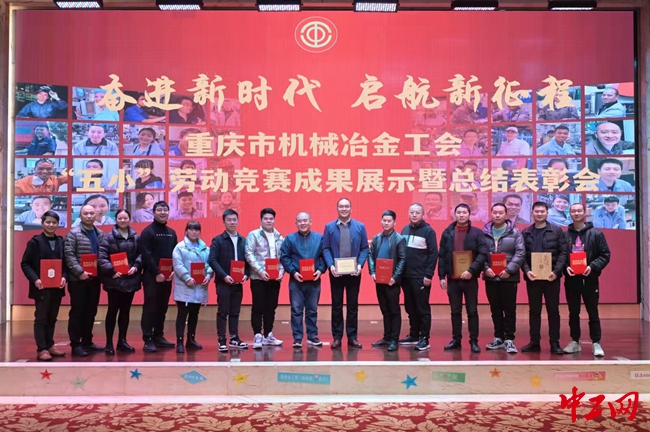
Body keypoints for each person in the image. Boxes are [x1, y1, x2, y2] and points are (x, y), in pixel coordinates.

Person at [438, 204, 489, 353]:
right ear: (455, 215)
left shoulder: (477, 233)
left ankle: (474, 341)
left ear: (469, 214)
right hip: (452, 279)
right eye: (458, 212)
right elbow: (442, 256)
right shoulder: (447, 232)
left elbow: (483, 254)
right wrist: (441, 276)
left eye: (464, 212)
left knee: (472, 311)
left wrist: (471, 270)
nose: (461, 215)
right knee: (455, 311)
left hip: (470, 279)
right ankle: (456, 340)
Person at [563, 203, 611, 356]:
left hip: (590, 279)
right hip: (571, 279)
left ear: (585, 213)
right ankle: (575, 341)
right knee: (573, 312)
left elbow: (605, 255)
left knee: (593, 311)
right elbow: (560, 256)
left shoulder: (596, 234)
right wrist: (565, 267)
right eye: (573, 211)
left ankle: (596, 342)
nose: (576, 213)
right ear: (570, 213)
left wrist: (592, 266)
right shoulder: (564, 235)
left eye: (579, 211)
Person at [520, 202, 568, 354]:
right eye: (537, 211)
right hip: (533, 278)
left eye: (542, 211)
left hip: (551, 278)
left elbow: (563, 252)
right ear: (532, 213)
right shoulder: (526, 232)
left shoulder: (557, 230)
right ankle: (534, 342)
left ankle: (555, 343)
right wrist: (527, 271)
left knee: (553, 311)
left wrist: (556, 271)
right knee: (534, 311)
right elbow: (522, 255)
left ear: (547, 213)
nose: (539, 214)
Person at [20, 210, 68, 361]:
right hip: (41, 288)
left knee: (52, 318)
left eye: (54, 222)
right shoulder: (34, 242)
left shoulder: (61, 242)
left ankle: (50, 345)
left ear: (58, 224)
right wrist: (35, 279)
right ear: (42, 223)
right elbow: (25, 264)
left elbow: (66, 264)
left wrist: (64, 277)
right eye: (48, 222)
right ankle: (41, 349)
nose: (51, 225)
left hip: (57, 287)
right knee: (41, 318)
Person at [322, 198, 369, 349]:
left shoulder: (360, 227)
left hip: (354, 273)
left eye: (346, 206)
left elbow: (364, 248)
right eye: (341, 206)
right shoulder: (329, 227)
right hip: (336, 273)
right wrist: (330, 266)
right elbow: (326, 248)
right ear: (337, 209)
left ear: (351, 208)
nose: (344, 209)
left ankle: (352, 337)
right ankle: (337, 337)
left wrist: (360, 265)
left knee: (352, 306)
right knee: (336, 306)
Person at [482, 203, 525, 354]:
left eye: (501, 213)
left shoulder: (515, 232)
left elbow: (520, 253)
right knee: (495, 309)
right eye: (495, 212)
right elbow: (480, 253)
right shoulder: (485, 232)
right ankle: (498, 337)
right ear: (491, 213)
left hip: (509, 277)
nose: (498, 215)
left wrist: (508, 270)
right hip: (490, 276)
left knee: (509, 309)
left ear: (506, 214)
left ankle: (509, 339)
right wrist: (485, 268)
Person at [63, 204, 105, 357]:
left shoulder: (100, 233)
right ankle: (76, 344)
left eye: (91, 213)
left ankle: (87, 341)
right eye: (85, 213)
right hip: (78, 280)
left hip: (94, 279)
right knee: (77, 312)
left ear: (96, 215)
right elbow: (69, 255)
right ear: (80, 216)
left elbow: (103, 255)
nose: (89, 216)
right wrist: (80, 272)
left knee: (91, 311)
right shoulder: (73, 233)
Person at [98, 209, 142, 355]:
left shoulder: (135, 236)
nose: (123, 220)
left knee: (125, 311)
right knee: (112, 311)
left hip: (130, 279)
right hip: (114, 281)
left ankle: (122, 341)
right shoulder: (108, 237)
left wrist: (136, 266)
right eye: (120, 218)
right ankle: (109, 343)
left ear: (129, 219)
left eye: (125, 218)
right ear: (116, 220)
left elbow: (141, 254)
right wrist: (112, 271)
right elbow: (102, 258)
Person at [280, 212, 326, 348]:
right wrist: (293, 272)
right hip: (296, 281)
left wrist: (320, 270)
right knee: (296, 310)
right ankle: (298, 338)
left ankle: (312, 336)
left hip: (314, 280)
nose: (303, 223)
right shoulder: (290, 239)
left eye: (305, 220)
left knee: (312, 310)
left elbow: (325, 256)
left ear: (310, 222)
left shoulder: (319, 238)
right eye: (299, 221)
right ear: (296, 223)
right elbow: (284, 257)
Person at [139, 201, 178, 352]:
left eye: (165, 210)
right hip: (152, 276)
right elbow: (146, 255)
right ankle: (148, 338)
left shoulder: (171, 232)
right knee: (150, 307)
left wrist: (173, 270)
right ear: (153, 212)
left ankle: (158, 336)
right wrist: (157, 273)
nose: (163, 212)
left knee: (162, 306)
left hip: (166, 277)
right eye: (159, 210)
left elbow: (175, 254)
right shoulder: (147, 232)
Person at [209, 209, 250, 352]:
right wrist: (224, 276)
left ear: (238, 221)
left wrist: (246, 274)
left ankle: (234, 338)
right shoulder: (218, 240)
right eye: (229, 220)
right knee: (223, 311)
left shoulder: (243, 240)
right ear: (224, 222)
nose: (232, 222)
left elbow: (248, 260)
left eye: (234, 220)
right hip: (223, 282)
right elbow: (212, 260)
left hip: (238, 282)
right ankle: (221, 340)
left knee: (235, 311)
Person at [399, 203, 438, 350]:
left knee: (422, 308)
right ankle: (414, 334)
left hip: (421, 277)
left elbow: (433, 254)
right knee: (410, 307)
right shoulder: (404, 229)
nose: (414, 215)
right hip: (406, 276)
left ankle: (424, 338)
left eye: (417, 212)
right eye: (412, 212)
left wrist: (429, 275)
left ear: (423, 214)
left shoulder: (428, 231)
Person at [245, 208, 285, 349]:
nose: (268, 221)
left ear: (274, 220)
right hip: (258, 277)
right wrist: (261, 271)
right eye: (266, 218)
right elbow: (249, 254)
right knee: (258, 306)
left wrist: (281, 272)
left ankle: (268, 334)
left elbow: (283, 257)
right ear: (261, 220)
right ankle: (257, 334)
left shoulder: (279, 237)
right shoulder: (253, 235)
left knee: (271, 307)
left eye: (271, 219)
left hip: (275, 278)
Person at [172, 220, 213, 354]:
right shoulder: (179, 247)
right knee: (182, 314)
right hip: (184, 286)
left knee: (194, 314)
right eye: (191, 229)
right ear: (186, 231)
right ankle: (179, 342)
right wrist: (187, 278)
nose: (194, 232)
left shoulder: (206, 248)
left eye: (196, 229)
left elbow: (211, 264)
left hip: (199, 286)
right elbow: (177, 265)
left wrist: (208, 276)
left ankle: (191, 340)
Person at [368, 210, 406, 352]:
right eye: (384, 220)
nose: (386, 223)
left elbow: (402, 259)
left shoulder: (399, 239)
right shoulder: (376, 238)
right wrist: (372, 272)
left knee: (393, 310)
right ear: (381, 221)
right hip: (379, 280)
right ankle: (387, 337)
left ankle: (394, 339)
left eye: (389, 221)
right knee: (384, 309)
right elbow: (370, 255)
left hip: (392, 281)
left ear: (394, 222)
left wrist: (395, 277)